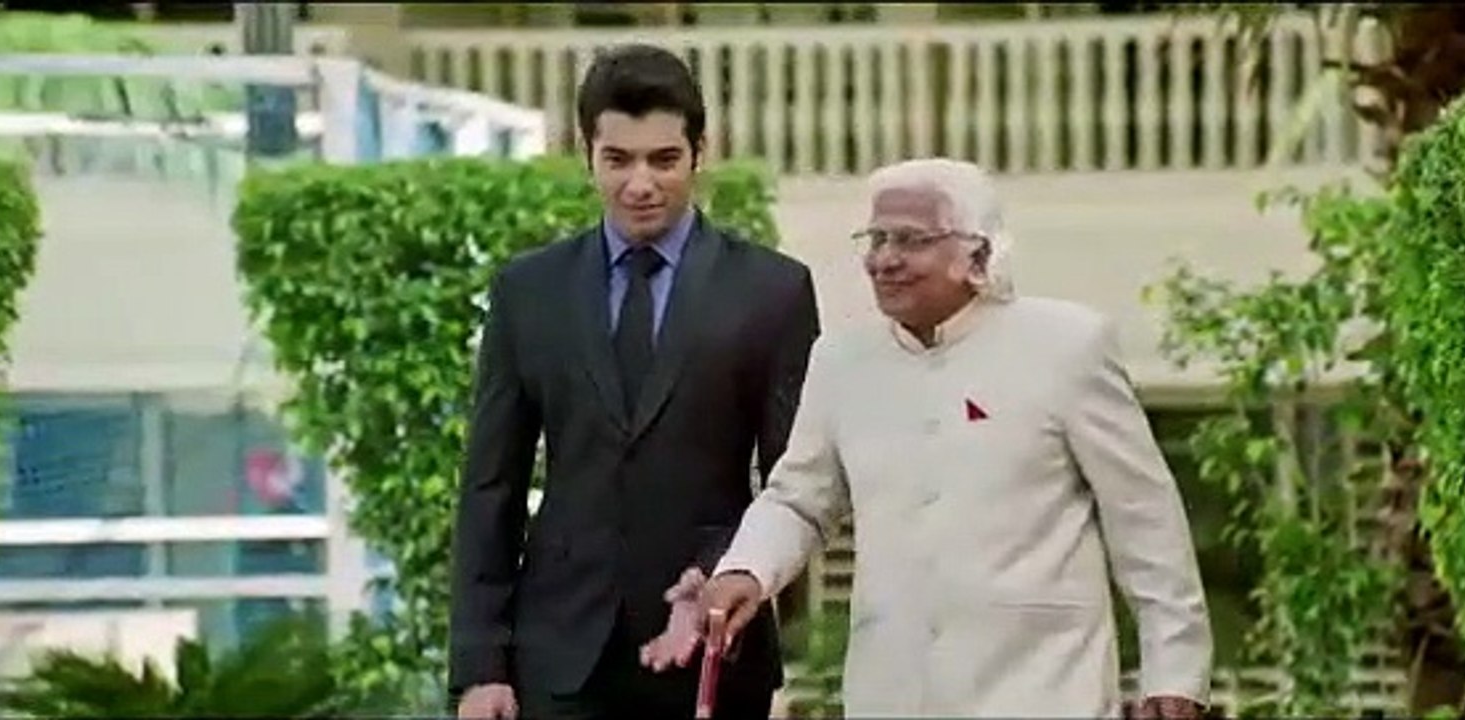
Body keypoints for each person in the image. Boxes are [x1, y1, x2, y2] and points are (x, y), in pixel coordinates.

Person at [651, 158, 1214, 718]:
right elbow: (799, 500)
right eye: (876, 238)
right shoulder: (842, 362)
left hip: (1043, 689)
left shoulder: (1066, 347)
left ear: (979, 257)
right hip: (892, 694)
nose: (884, 259)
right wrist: (746, 569)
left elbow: (1143, 518)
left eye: (911, 240)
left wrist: (1175, 674)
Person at [447, 43, 820, 720]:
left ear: (700, 153)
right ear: (587, 154)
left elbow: (794, 485)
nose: (640, 184)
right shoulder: (529, 292)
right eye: (618, 160)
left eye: (663, 160)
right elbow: (490, 487)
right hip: (556, 657)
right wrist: (480, 668)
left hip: (714, 648)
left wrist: (727, 574)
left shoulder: (772, 291)